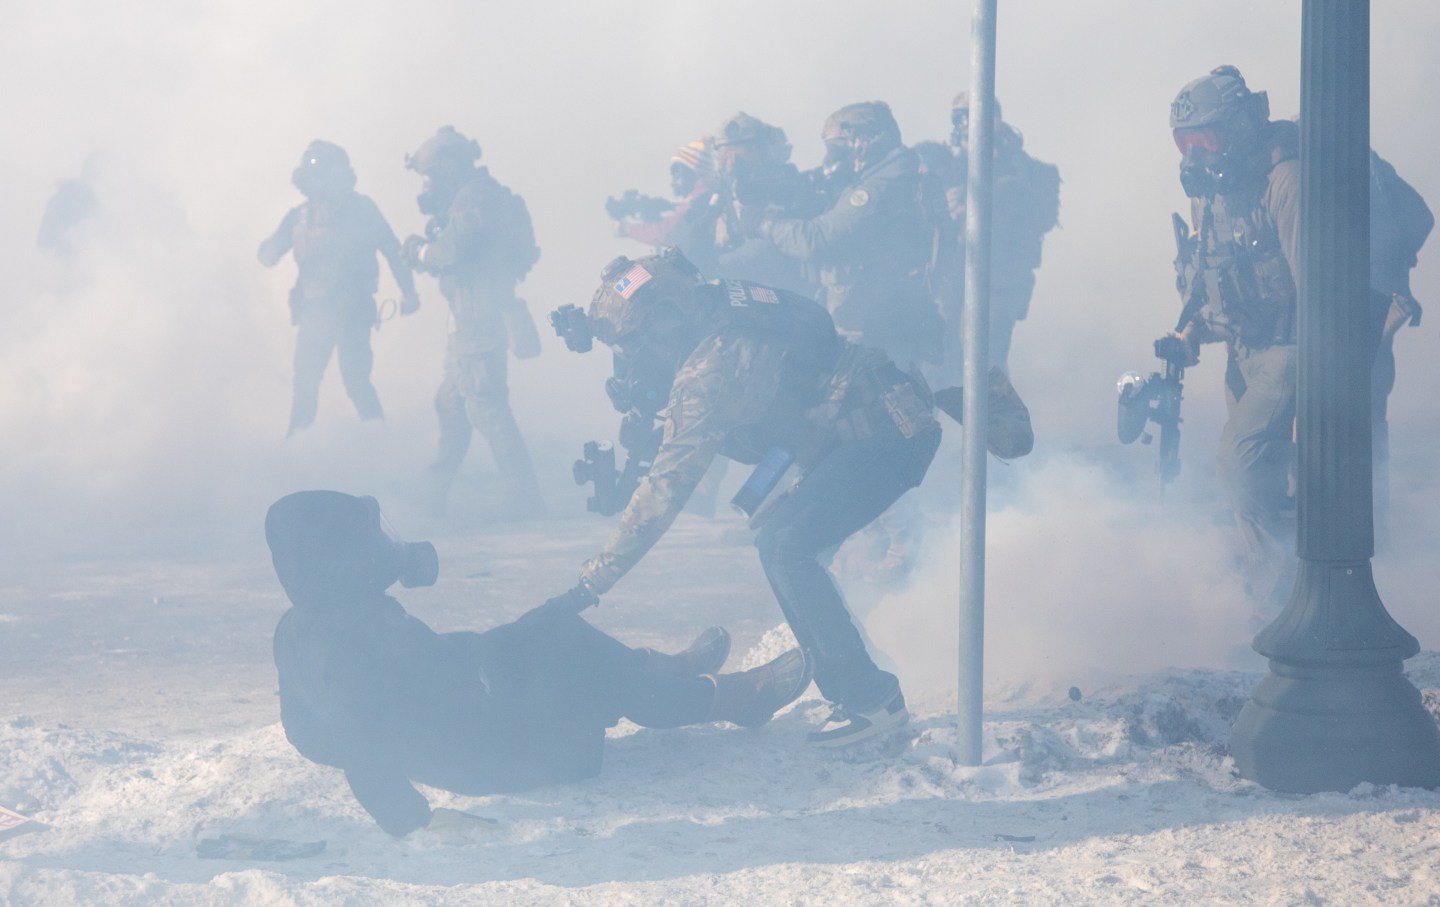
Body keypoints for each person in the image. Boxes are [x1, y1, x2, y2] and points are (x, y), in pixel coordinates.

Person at [542, 249, 1033, 746]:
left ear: (663, 323)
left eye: (632, 345)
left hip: (884, 434)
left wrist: (589, 584)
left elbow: (666, 489)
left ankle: (872, 700)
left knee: (787, 546)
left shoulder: (709, 369)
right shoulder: (715, 308)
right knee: (782, 543)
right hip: (867, 428)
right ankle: (856, 683)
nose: (631, 360)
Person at [267, 489, 810, 838]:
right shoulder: (347, 643)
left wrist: (454, 689)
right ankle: (727, 698)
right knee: (573, 664)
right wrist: (415, 822)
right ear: (339, 557)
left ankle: (658, 672)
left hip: (467, 719)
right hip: (498, 753)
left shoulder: (307, 624)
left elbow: (306, 734)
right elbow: (357, 740)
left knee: (554, 629)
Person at [1162, 66, 1300, 612]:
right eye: (1183, 143)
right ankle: (1277, 592)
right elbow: (1205, 276)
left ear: (1240, 128)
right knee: (1255, 482)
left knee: (1236, 459)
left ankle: (1284, 596)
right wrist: (1187, 332)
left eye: (1206, 139)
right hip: (1241, 352)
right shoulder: (1212, 194)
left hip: (1292, 346)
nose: (1194, 156)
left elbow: (1319, 288)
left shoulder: (1284, 182)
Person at [402, 126, 545, 517]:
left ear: (449, 167)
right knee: (450, 404)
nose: (428, 184)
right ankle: (432, 494)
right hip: (468, 314)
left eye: (431, 174)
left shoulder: (474, 198)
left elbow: (454, 249)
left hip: (478, 315)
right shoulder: (477, 195)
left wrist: (423, 251)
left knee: (487, 407)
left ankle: (524, 498)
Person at [750, 101, 944, 370]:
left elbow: (815, 239)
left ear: (863, 141)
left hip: (877, 320)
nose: (832, 159)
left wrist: (767, 224)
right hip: (886, 313)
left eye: (836, 148)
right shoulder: (893, 174)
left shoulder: (879, 188)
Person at [258, 140, 419, 437]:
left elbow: (392, 249)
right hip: (314, 312)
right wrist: (267, 248)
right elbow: (270, 253)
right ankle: (296, 451)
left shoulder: (361, 210)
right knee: (305, 385)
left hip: (353, 310)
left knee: (356, 382)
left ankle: (381, 444)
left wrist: (409, 292)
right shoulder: (300, 215)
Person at [942, 93, 1061, 376]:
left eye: (971, 117)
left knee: (987, 364)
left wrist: (979, 203)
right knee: (945, 362)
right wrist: (948, 208)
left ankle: (992, 421)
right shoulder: (953, 164)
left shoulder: (1018, 166)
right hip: (955, 276)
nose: (966, 125)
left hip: (1000, 281)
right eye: (960, 119)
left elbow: (1023, 212)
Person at [1367, 150, 1432, 536]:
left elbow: (1420, 217)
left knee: (1364, 423)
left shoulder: (1360, 169)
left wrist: (1381, 281)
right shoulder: (1369, 169)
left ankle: (1373, 528)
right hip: (1368, 316)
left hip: (1368, 320)